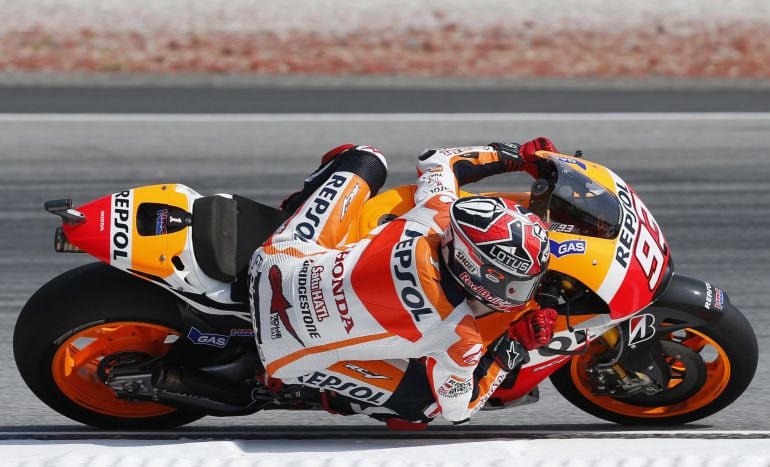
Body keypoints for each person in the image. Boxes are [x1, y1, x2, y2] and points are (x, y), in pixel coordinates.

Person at [248, 139, 559, 424]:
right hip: (284, 347)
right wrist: (514, 346)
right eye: (515, 284)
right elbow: (458, 410)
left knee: (365, 158)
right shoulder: (458, 335)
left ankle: (291, 211)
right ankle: (317, 392)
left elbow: (438, 160)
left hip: (277, 259)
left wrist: (514, 156)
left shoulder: (435, 213)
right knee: (426, 406)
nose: (520, 292)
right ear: (477, 270)